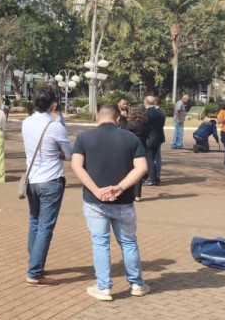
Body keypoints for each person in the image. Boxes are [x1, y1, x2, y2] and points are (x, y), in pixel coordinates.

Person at [70, 104, 150, 301]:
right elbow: (141, 168)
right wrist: (120, 187)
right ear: (117, 119)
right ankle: (136, 283)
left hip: (94, 201)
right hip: (123, 201)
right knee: (129, 241)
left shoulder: (84, 137)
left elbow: (76, 166)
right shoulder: (130, 138)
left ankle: (104, 287)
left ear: (97, 117)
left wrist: (96, 190)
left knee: (100, 243)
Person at [21, 86, 73, 286]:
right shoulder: (55, 126)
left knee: (35, 222)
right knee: (44, 227)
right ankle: (35, 272)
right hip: (51, 181)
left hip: (32, 180)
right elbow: (69, 154)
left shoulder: (26, 123)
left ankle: (35, 262)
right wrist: (58, 152)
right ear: (54, 104)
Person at [125, 105, 150, 201]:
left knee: (128, 170)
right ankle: (137, 194)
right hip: (142, 146)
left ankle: (128, 191)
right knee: (138, 170)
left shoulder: (130, 124)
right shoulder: (145, 124)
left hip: (131, 147)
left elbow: (125, 134)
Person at [143, 96, 165, 186]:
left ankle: (152, 178)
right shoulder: (160, 112)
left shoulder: (146, 113)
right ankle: (156, 177)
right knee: (157, 157)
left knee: (150, 158)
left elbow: (144, 126)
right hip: (159, 137)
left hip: (149, 138)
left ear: (145, 103)